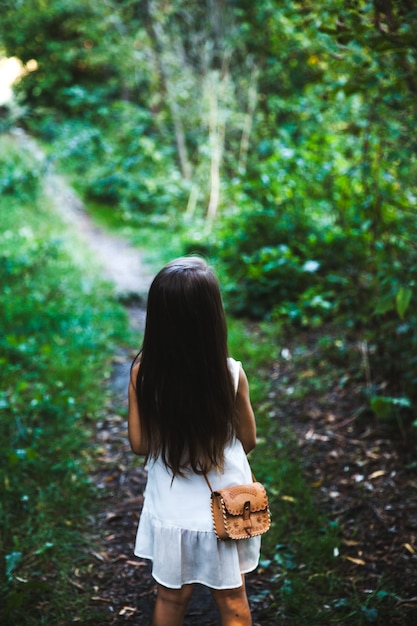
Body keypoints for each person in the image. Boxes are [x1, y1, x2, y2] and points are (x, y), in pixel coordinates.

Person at [128, 256, 260, 626]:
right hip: (227, 508)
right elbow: (248, 440)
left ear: (159, 319)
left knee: (171, 600)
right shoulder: (231, 373)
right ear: (212, 319)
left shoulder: (143, 375)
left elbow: (139, 445)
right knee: (233, 600)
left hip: (173, 511)